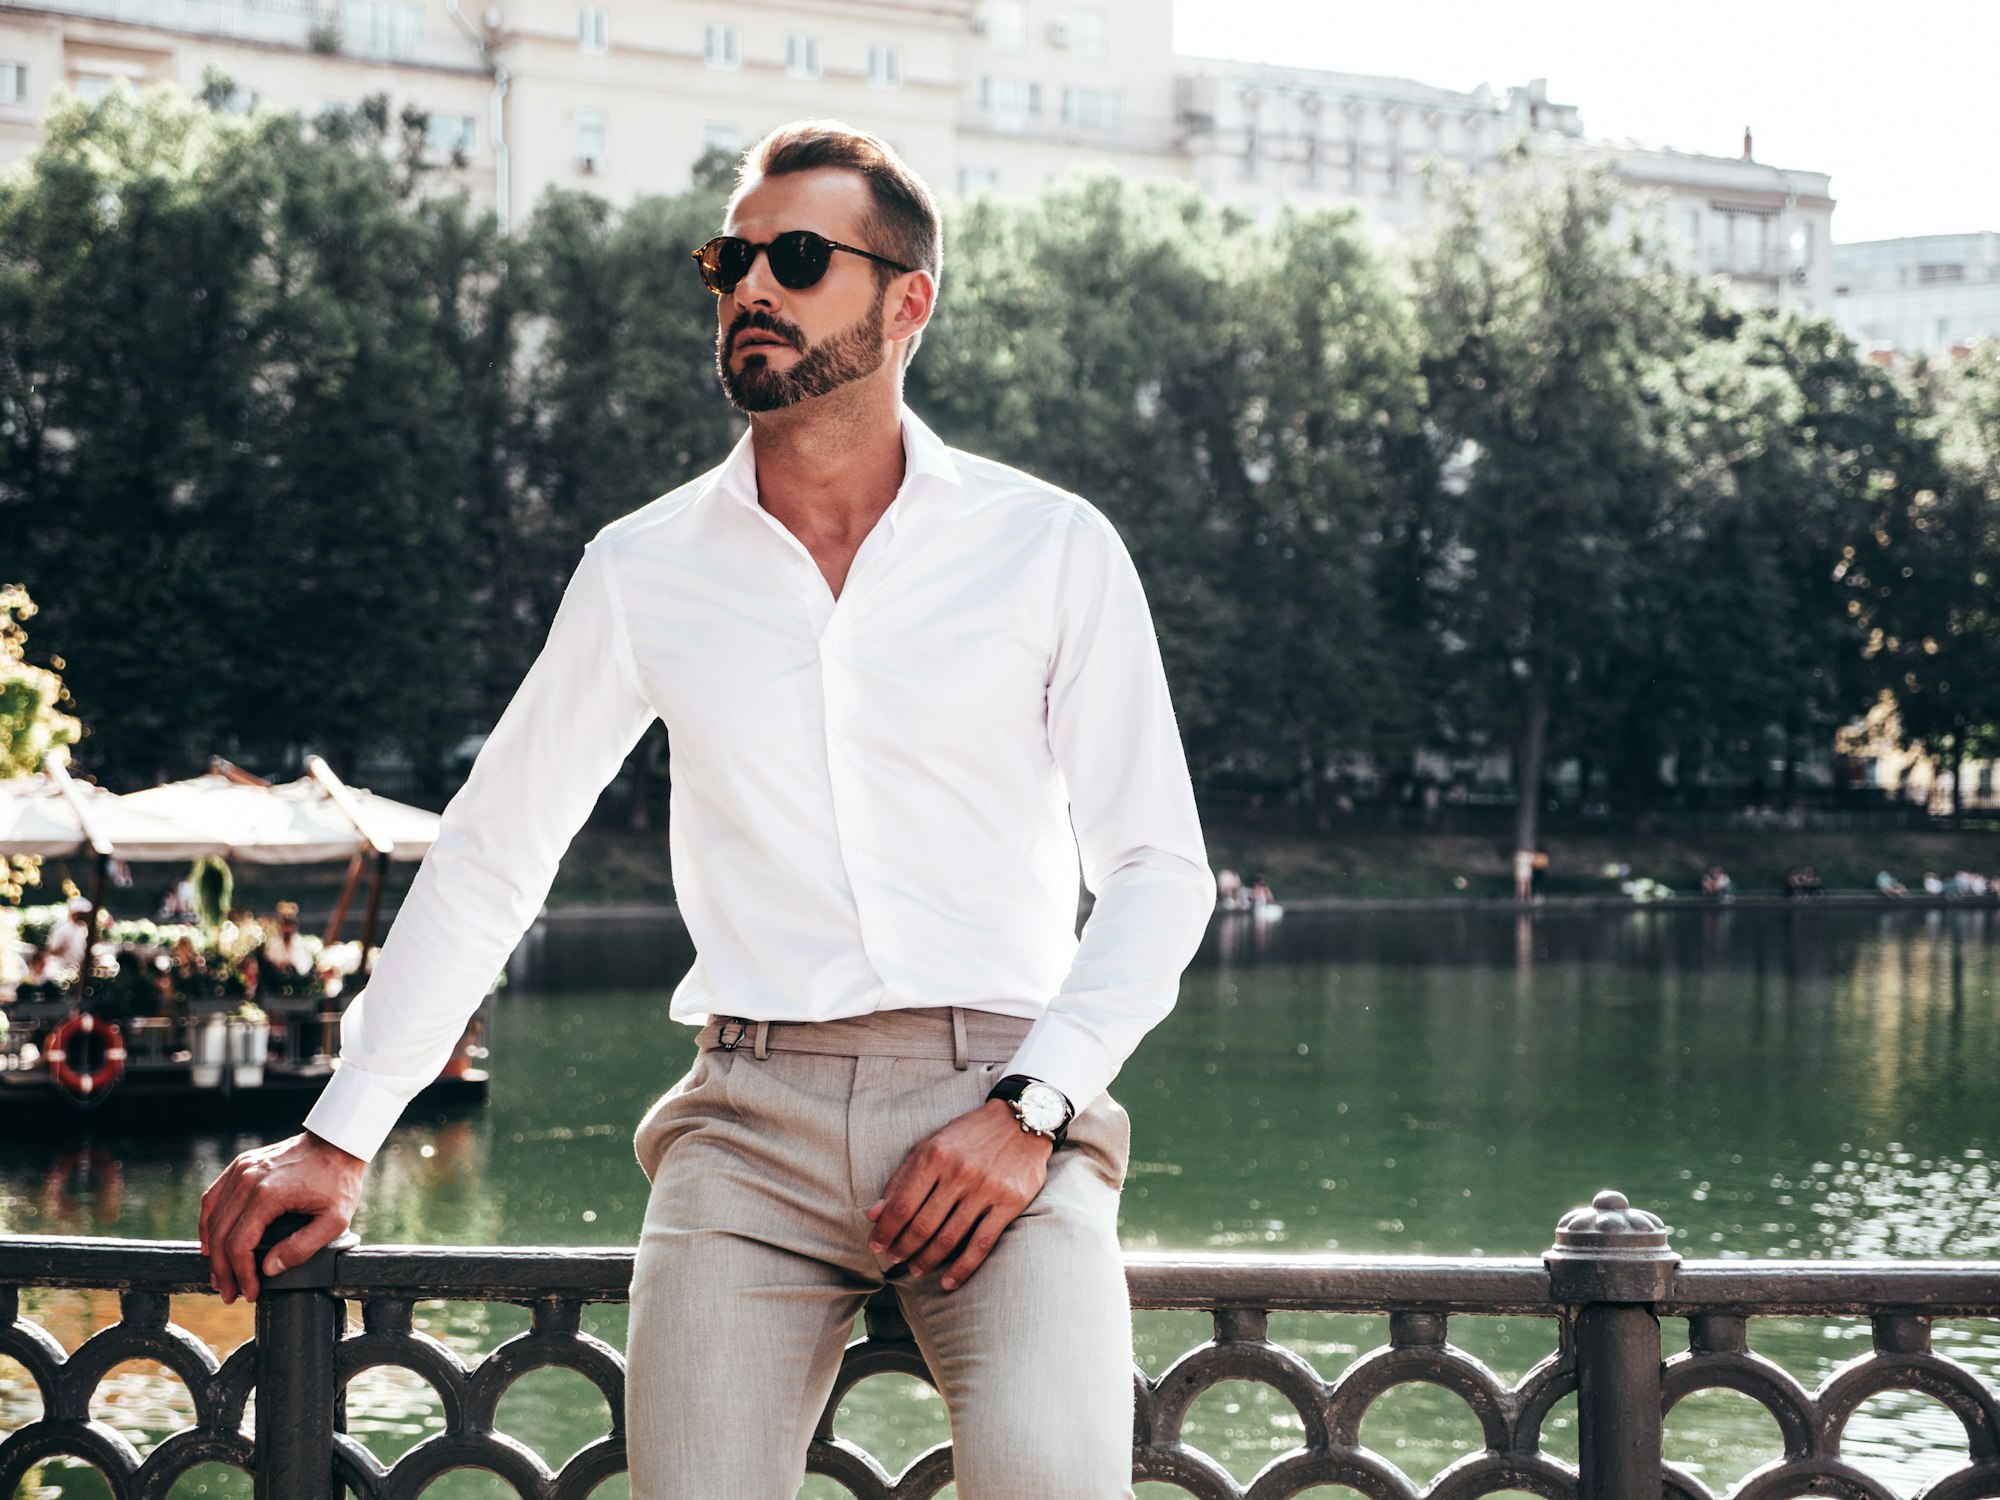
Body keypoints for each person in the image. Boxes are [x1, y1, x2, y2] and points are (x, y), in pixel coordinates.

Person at [197, 119, 1212, 1500]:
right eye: (732, 257)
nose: (751, 287)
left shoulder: (1049, 549)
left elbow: (1159, 869)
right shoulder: (644, 567)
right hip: (748, 1123)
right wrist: (341, 1129)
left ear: (908, 304)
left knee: (1054, 1480)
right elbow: (500, 851)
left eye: (799, 258)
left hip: (1004, 1114)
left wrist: (1033, 1108)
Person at [27, 895, 95, 984]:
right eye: (82, 914)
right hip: (62, 967)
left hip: (79, 968)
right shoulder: (63, 929)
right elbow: (53, 950)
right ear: (75, 913)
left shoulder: (83, 929)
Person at [260, 902, 312, 977]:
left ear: (295, 928)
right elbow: (268, 963)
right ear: (280, 927)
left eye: (290, 926)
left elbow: (306, 965)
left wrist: (294, 967)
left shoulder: (302, 944)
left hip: (297, 980)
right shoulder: (272, 944)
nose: (287, 929)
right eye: (285, 926)